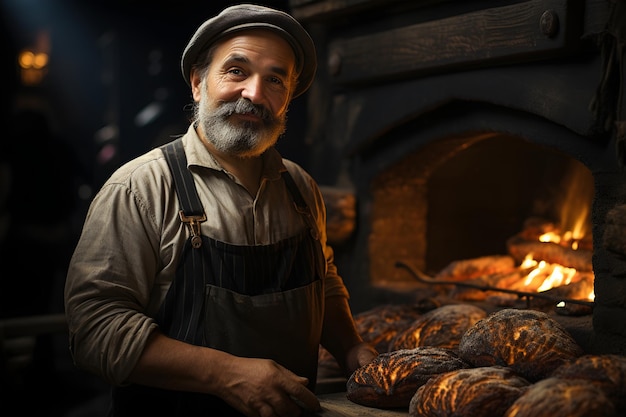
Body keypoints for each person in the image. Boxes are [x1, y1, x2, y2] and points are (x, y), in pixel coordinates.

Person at [64, 4, 378, 417]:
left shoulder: (300, 188)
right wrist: (223, 373)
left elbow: (325, 281)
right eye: (236, 71)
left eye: (275, 79)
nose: (255, 93)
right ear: (198, 83)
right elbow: (95, 329)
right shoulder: (141, 188)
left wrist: (350, 346)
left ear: (287, 99)